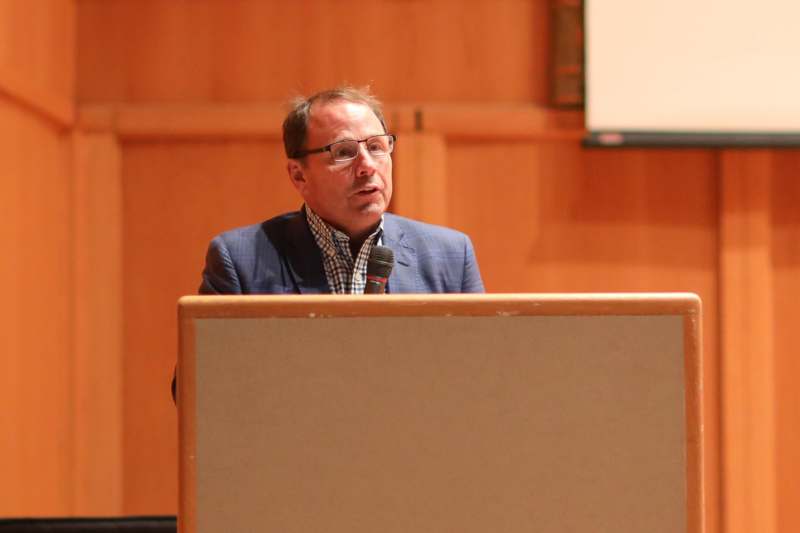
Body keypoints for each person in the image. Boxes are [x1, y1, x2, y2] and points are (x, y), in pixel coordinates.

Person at [199, 86, 484, 295]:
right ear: (299, 176)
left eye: (376, 147)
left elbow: (484, 370)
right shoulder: (240, 260)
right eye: (344, 152)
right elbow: (201, 377)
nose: (367, 166)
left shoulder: (450, 256)